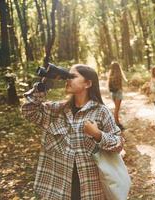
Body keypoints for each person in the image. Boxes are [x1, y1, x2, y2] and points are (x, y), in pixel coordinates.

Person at [22, 64, 124, 199]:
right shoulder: (57, 110)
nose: (67, 80)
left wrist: (97, 134)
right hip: (61, 188)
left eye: (73, 76)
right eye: (67, 76)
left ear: (88, 83)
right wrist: (43, 85)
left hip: (91, 189)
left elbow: (118, 144)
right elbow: (29, 111)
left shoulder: (101, 112)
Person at [108, 61, 128, 130]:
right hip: (119, 93)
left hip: (113, 93)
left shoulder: (111, 75)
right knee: (117, 109)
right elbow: (125, 82)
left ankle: (116, 122)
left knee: (116, 109)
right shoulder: (119, 75)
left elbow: (109, 86)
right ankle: (117, 124)